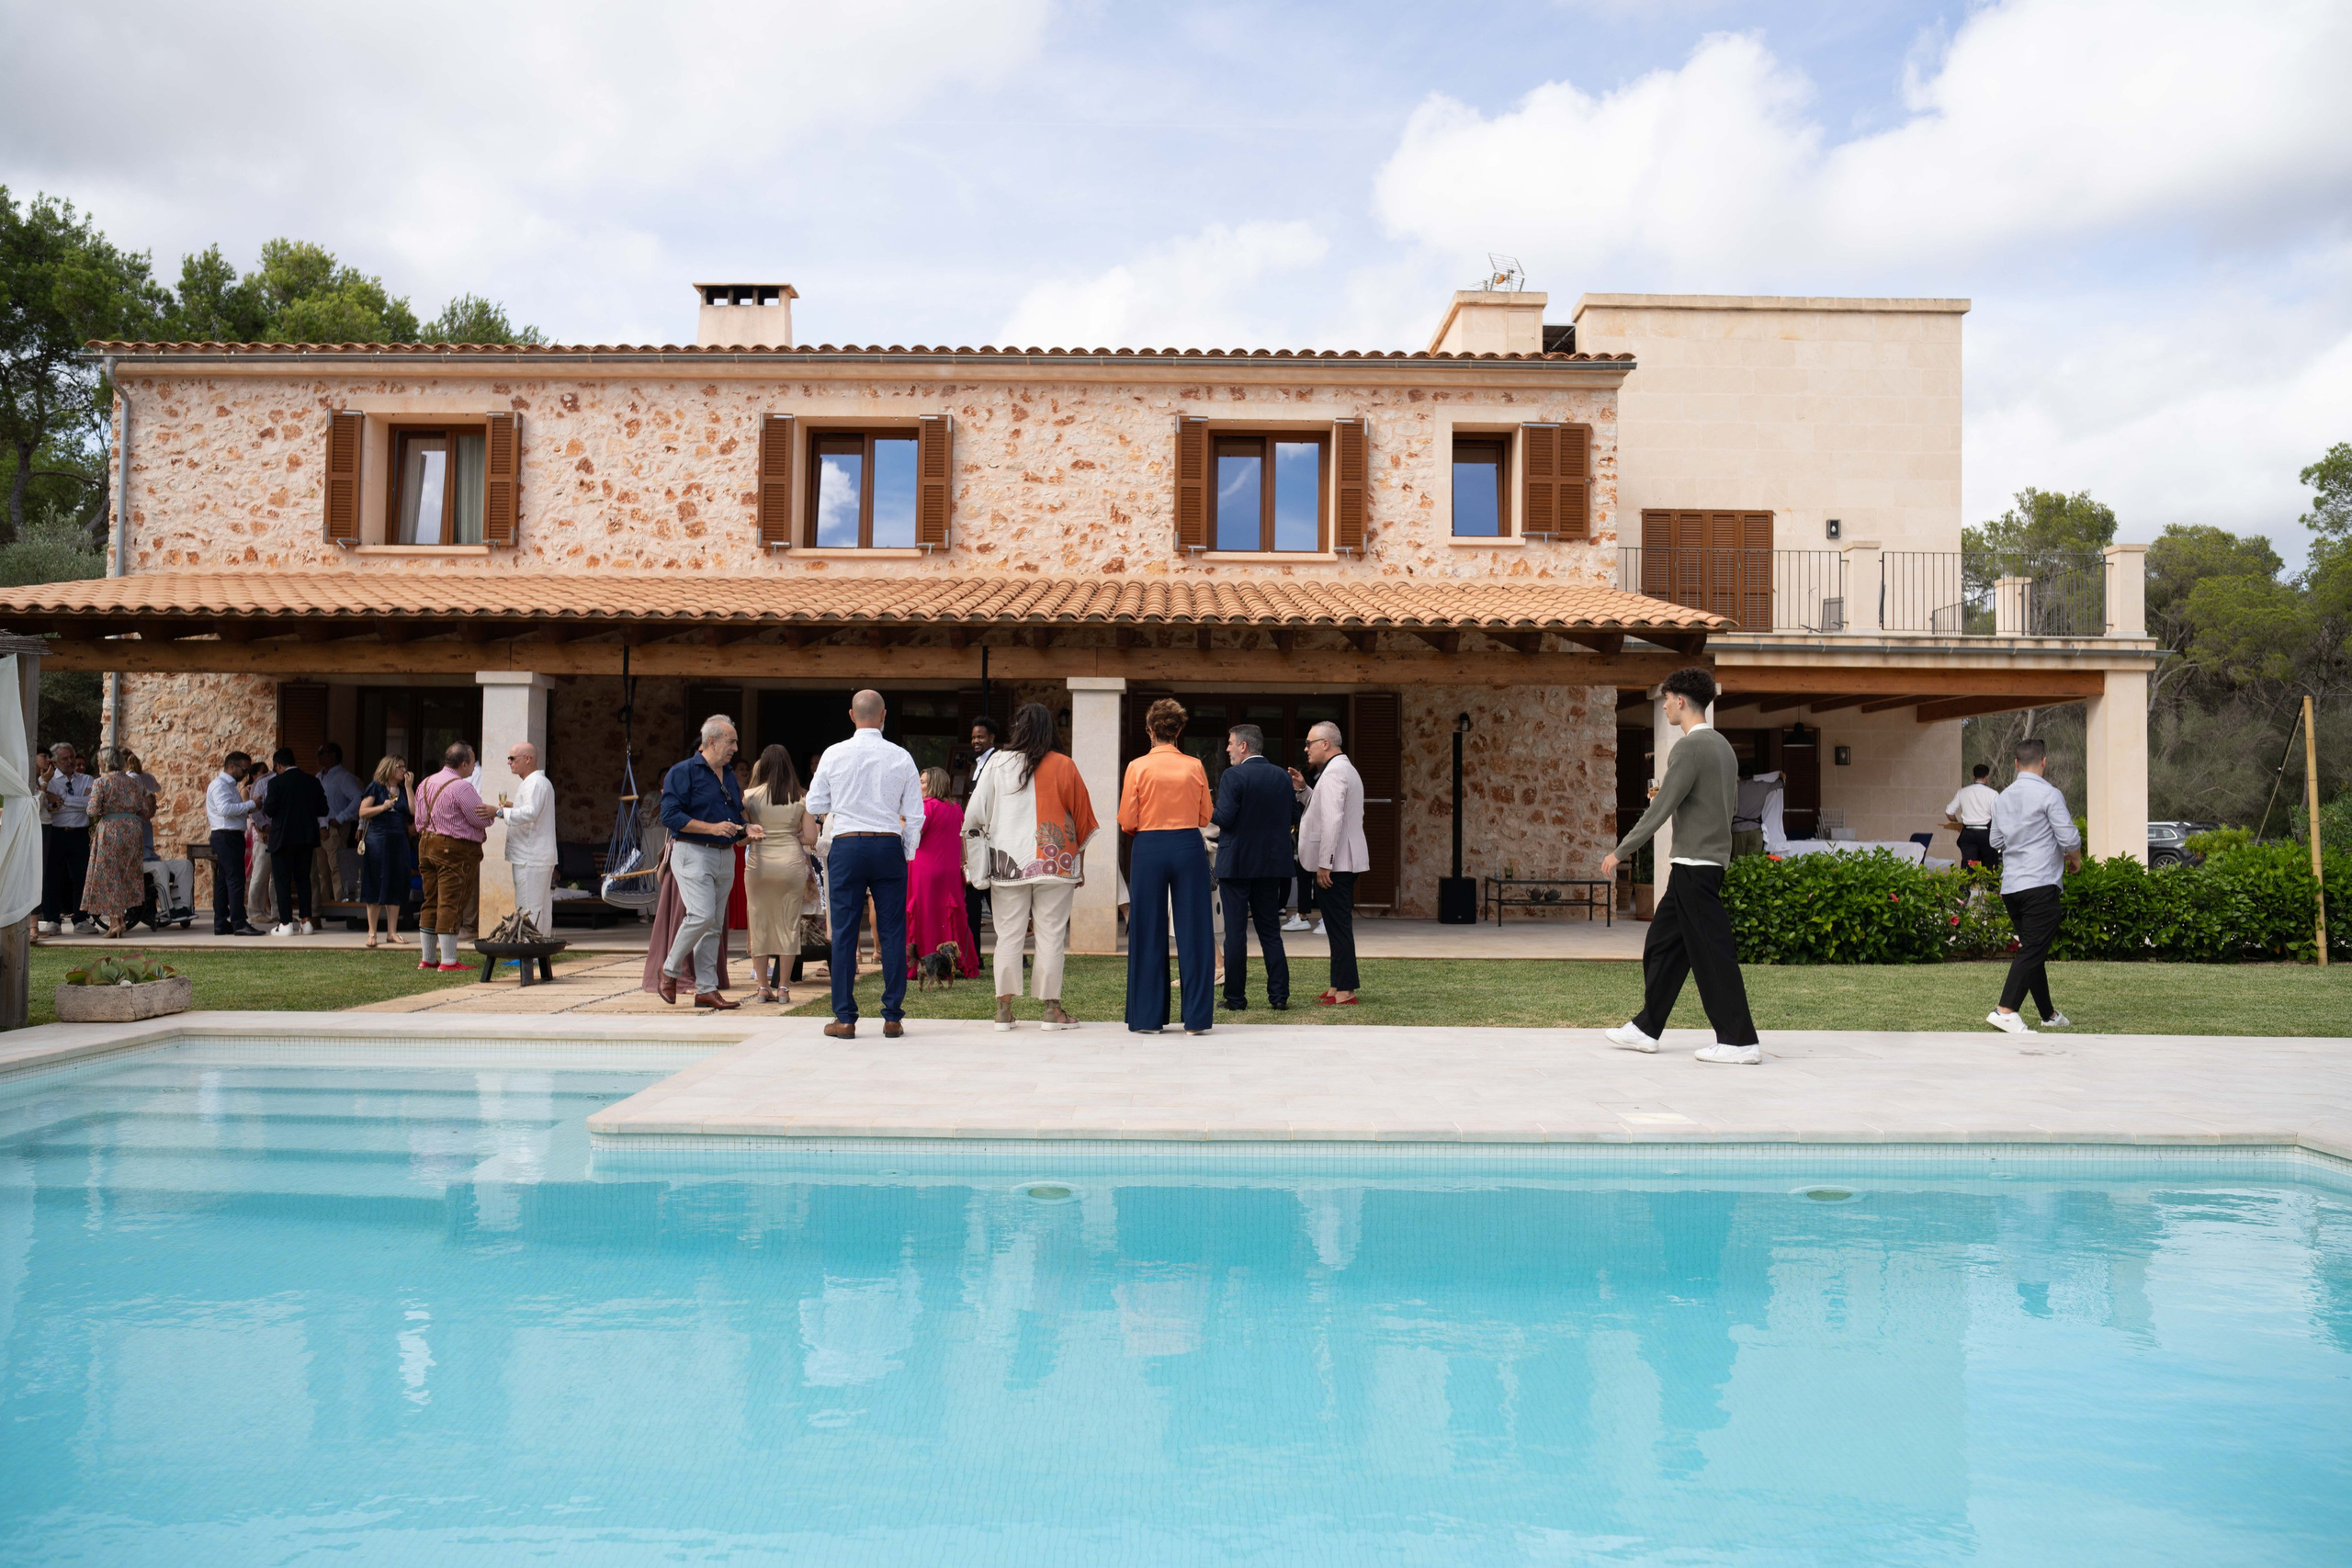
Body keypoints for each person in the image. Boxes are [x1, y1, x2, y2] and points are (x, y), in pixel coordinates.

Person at [1600, 666, 1762, 1065]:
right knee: (1663, 946)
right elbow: (1727, 806)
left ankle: (1739, 1041)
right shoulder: (1723, 747)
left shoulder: (1688, 748)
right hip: (1703, 863)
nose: (1665, 704)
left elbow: (1661, 809)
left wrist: (1621, 851)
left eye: (1667, 698)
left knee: (1712, 952)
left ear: (1681, 701)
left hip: (1694, 864)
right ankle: (1645, 1028)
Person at [964, 700, 1097, 1032]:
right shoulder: (1065, 765)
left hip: (1007, 864)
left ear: (1017, 729)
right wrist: (1077, 863)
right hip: (1056, 862)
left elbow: (973, 817)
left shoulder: (996, 765)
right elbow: (1084, 821)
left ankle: (1003, 1010)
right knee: (1051, 935)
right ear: (1049, 729)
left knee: (1007, 935)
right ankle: (1052, 1011)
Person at [800, 690, 922, 1039]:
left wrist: (838, 810)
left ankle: (845, 1017)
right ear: (884, 716)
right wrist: (907, 852)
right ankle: (893, 1015)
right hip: (887, 844)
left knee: (844, 933)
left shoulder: (834, 754)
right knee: (893, 930)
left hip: (848, 844)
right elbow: (915, 815)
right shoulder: (901, 756)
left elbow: (816, 801)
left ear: (852, 716)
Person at [1120, 698, 1216, 1035]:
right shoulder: (1194, 766)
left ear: (1150, 731)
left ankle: (1148, 1018)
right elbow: (1206, 816)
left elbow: (1127, 820)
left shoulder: (1137, 767)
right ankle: (1197, 1020)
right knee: (1196, 932)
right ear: (1179, 730)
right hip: (1188, 845)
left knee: (1147, 930)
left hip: (1149, 846)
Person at [658, 715, 761, 1010]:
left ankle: (706, 989)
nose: (736, 748)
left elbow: (732, 816)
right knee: (701, 916)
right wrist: (711, 828)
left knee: (714, 925)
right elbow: (670, 816)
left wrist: (746, 828)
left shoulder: (727, 774)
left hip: (724, 855)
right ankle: (669, 970)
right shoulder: (682, 772)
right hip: (692, 852)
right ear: (711, 742)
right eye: (731, 741)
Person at [1986, 738, 2081, 1034]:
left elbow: (1995, 842)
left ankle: (2048, 1014)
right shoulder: (2050, 795)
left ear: (2015, 764)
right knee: (2033, 950)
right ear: (2044, 761)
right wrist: (2075, 860)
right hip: (2041, 883)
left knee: (2033, 948)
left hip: (2012, 886)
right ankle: (2005, 1010)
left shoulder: (2001, 798)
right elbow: (2069, 838)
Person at [1213, 721, 1301, 1011]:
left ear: (1244, 746)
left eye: (1230, 743)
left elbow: (1224, 817)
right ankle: (1279, 996)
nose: (1227, 749)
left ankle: (1236, 998)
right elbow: (1294, 815)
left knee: (1235, 932)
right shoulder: (1280, 777)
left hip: (1236, 864)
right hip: (1271, 864)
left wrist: (1204, 806)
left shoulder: (1233, 776)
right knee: (1270, 931)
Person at [1289, 720, 1368, 1006]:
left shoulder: (1335, 773)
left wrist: (1326, 863)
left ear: (1326, 744)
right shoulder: (1337, 770)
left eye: (1310, 742)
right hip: (1343, 861)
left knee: (1339, 926)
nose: (1306, 748)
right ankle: (1337, 986)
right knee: (1335, 926)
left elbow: (1334, 820)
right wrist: (1303, 789)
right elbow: (1326, 808)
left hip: (1339, 863)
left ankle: (1346, 991)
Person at [415, 742, 497, 972]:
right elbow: (481, 818)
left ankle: (428, 958)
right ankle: (449, 961)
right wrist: (491, 817)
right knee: (451, 901)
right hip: (454, 849)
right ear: (463, 764)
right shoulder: (462, 787)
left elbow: (419, 819)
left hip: (426, 844)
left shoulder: (425, 783)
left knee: (430, 900)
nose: (473, 767)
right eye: (472, 762)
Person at [741, 745, 811, 1005]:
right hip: (791, 863)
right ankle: (783, 988)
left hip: (759, 864)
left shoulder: (749, 796)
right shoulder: (801, 798)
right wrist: (792, 835)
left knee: (758, 921)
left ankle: (761, 987)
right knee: (788, 924)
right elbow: (811, 837)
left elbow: (743, 835)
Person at [907, 766, 980, 981]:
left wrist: (901, 818)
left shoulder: (926, 807)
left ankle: (924, 962)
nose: (918, 785)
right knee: (950, 916)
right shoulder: (956, 808)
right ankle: (956, 962)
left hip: (925, 870)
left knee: (925, 914)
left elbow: (914, 832)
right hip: (949, 871)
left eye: (922, 781)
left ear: (933, 784)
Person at [80, 748, 153, 940]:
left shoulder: (101, 783)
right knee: (124, 874)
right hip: (132, 830)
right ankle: (118, 921)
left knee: (109, 876)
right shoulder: (135, 782)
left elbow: (92, 810)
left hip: (111, 830)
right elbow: (144, 808)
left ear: (104, 762)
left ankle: (116, 923)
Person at [262, 747, 329, 936]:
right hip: (306, 838)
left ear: (278, 765)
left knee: (282, 881)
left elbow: (269, 810)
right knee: (303, 879)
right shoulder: (312, 781)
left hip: (282, 838)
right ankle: (306, 921)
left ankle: (285, 923)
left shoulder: (276, 783)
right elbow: (323, 809)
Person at [496, 740, 558, 937]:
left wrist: (499, 812)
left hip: (530, 856)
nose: (509, 762)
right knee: (538, 905)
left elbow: (531, 813)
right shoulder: (533, 783)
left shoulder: (536, 783)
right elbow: (533, 811)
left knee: (529, 905)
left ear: (528, 759)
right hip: (532, 854)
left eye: (512, 758)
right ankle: (540, 947)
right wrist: (512, 808)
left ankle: (528, 951)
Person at [199, 750, 261, 937]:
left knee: (223, 880)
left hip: (230, 835)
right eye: (244, 769)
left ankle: (221, 922)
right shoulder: (220, 785)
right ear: (232, 766)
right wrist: (251, 804)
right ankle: (239, 922)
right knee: (235, 879)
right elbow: (225, 809)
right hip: (226, 836)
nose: (246, 774)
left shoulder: (229, 786)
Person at [356, 756, 414, 948]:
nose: (403, 770)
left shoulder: (404, 790)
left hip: (398, 839)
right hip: (378, 838)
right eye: (399, 767)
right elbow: (362, 812)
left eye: (404, 767)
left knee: (396, 881)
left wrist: (408, 787)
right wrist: (382, 807)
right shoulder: (376, 787)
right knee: (376, 880)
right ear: (389, 768)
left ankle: (392, 932)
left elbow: (413, 811)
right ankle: (372, 931)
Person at [41, 744, 94, 933]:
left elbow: (90, 804)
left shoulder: (87, 779)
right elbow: (47, 804)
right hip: (56, 832)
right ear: (55, 762)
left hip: (79, 833)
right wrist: (76, 802)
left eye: (72, 757)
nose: (71, 761)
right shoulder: (48, 781)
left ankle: (80, 920)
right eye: (65, 759)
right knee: (51, 877)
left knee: (81, 877)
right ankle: (52, 920)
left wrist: (62, 800)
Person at [960, 714, 1000, 958]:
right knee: (973, 899)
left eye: (981, 737)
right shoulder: (976, 763)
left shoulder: (995, 761)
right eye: (974, 737)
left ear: (992, 738)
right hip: (975, 841)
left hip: (989, 840)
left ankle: (1015, 953)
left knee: (995, 901)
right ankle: (974, 954)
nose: (976, 741)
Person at [316, 742, 363, 905]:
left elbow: (358, 798)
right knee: (321, 870)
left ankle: (338, 903)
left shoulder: (344, 777)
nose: (319, 755)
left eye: (322, 752)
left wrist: (341, 818)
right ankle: (324, 904)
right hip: (319, 827)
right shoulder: (318, 776)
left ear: (333, 755)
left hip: (335, 827)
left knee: (336, 867)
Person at [1945, 762, 2002, 871]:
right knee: (1989, 867)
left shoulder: (1962, 792)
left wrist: (1958, 824)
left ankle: (1966, 888)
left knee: (1968, 867)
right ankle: (1989, 887)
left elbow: (1949, 812)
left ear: (1973, 777)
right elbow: (1998, 815)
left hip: (1968, 834)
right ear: (1987, 777)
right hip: (1986, 834)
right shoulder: (1993, 794)